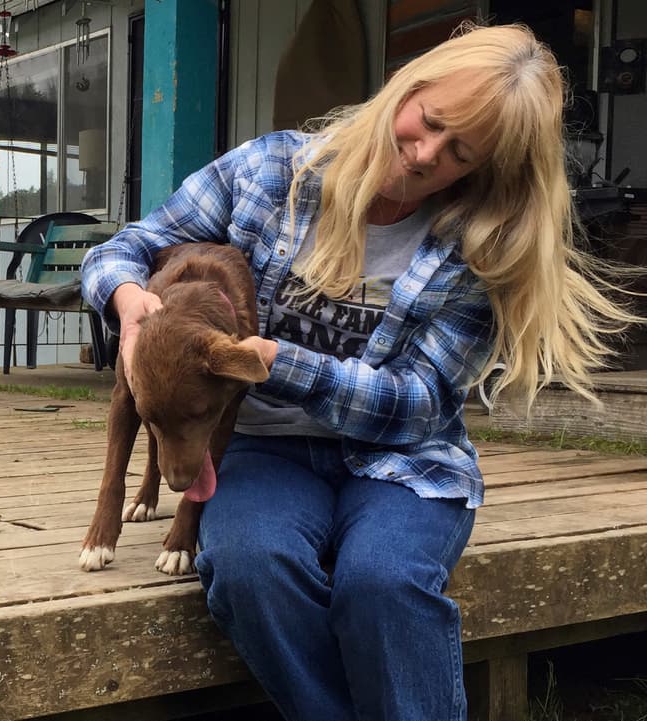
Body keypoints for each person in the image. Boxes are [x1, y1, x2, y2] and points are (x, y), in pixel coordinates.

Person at [80, 23, 639, 721]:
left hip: (405, 459)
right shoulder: (271, 170)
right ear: (410, 85)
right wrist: (127, 298)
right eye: (428, 121)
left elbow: (419, 404)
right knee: (253, 566)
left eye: (459, 150)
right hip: (268, 449)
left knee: (383, 579)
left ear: (487, 166)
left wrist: (279, 365)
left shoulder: (485, 244)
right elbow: (126, 247)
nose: (425, 152)